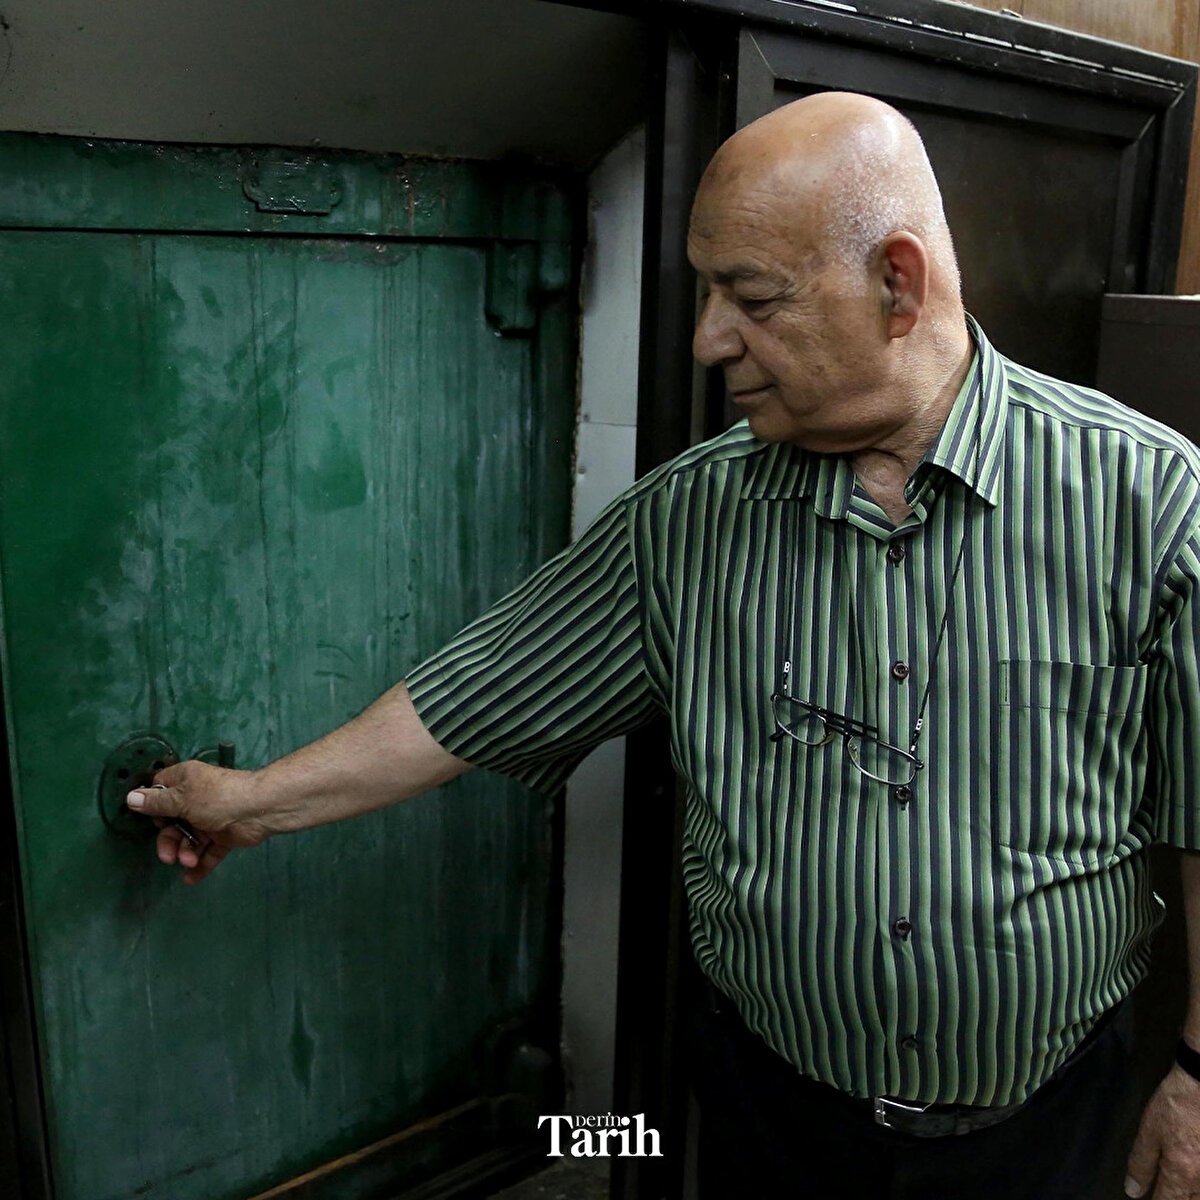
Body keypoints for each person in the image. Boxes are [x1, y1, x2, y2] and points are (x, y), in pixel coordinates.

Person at [127, 92, 1200, 1199]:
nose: (708, 339)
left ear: (898, 283)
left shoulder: (1151, 500)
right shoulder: (685, 522)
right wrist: (254, 803)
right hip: (771, 1111)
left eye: (752, 298)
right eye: (706, 293)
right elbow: (469, 700)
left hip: (1047, 1128)